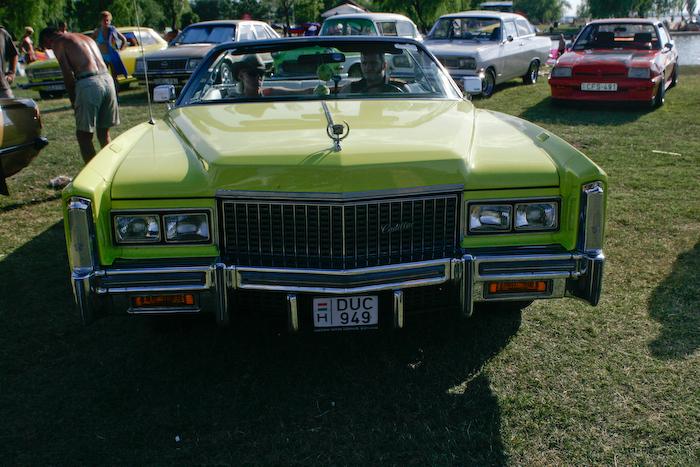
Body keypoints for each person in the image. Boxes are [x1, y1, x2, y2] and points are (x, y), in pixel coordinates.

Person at [39, 27, 120, 163]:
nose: (50, 49)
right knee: (103, 133)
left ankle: (93, 173)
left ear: (47, 39)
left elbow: (67, 74)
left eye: (47, 46)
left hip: (89, 82)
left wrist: (73, 99)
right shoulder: (85, 37)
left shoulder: (59, 42)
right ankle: (113, 167)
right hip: (107, 79)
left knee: (84, 136)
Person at [91, 11, 128, 86]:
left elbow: (124, 39)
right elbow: (90, 42)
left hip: (112, 56)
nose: (106, 22)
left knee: (114, 76)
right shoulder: (97, 32)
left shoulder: (113, 30)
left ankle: (116, 91)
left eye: (108, 20)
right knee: (103, 76)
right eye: (104, 20)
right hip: (102, 57)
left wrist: (120, 49)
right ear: (100, 21)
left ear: (110, 21)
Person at [0, 26, 18, 98]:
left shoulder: (1, 33)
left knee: (10, 104)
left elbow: (13, 53)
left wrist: (12, 73)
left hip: (1, 85)